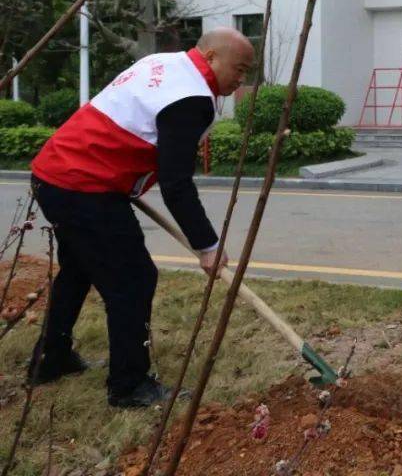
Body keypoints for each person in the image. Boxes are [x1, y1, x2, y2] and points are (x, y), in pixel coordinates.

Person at [27, 28, 253, 407]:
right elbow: (176, 182)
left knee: (79, 269)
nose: (242, 78)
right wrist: (207, 245)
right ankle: (129, 386)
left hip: (56, 174)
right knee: (133, 279)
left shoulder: (165, 64)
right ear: (212, 56)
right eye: (240, 68)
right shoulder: (191, 97)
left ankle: (51, 360)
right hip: (84, 185)